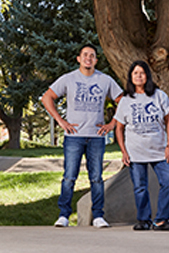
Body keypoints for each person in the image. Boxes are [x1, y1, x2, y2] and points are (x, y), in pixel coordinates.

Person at [42, 43, 123, 228]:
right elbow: (47, 97)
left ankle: (98, 216)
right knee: (70, 177)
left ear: (96, 60)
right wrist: (60, 121)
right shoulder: (69, 79)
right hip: (74, 136)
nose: (88, 58)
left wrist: (112, 124)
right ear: (79, 58)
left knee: (96, 178)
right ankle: (63, 215)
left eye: (92, 55)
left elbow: (123, 101)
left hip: (96, 137)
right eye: (85, 55)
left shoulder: (105, 80)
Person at [114, 60, 169, 231]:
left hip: (159, 150)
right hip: (136, 152)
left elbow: (168, 121)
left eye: (142, 73)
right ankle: (144, 220)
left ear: (147, 76)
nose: (138, 76)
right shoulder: (125, 100)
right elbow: (119, 128)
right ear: (130, 77)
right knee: (140, 187)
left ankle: (161, 220)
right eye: (135, 73)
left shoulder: (159, 95)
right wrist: (123, 152)